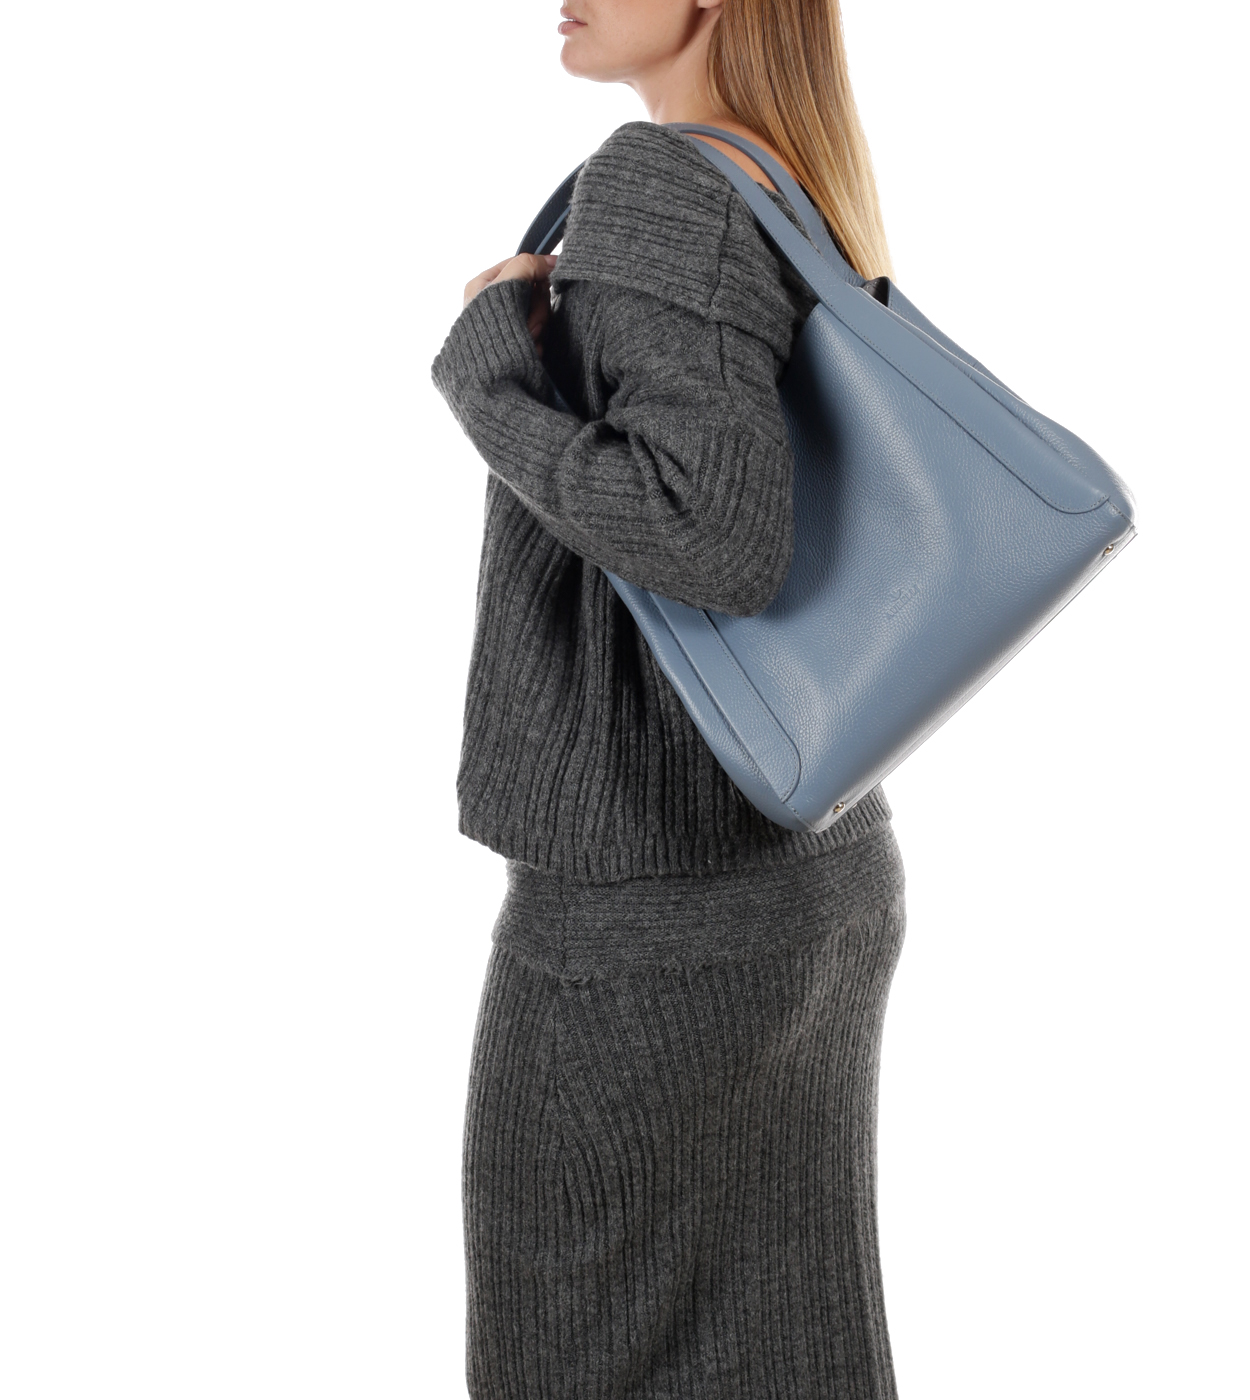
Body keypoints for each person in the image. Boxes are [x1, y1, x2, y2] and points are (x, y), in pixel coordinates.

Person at [430, 2, 905, 1394]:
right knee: (787, 1353)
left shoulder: (662, 186)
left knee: (567, 1359)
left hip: (642, 897)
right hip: (803, 870)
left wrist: (490, 378)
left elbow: (713, 537)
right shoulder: (784, 178)